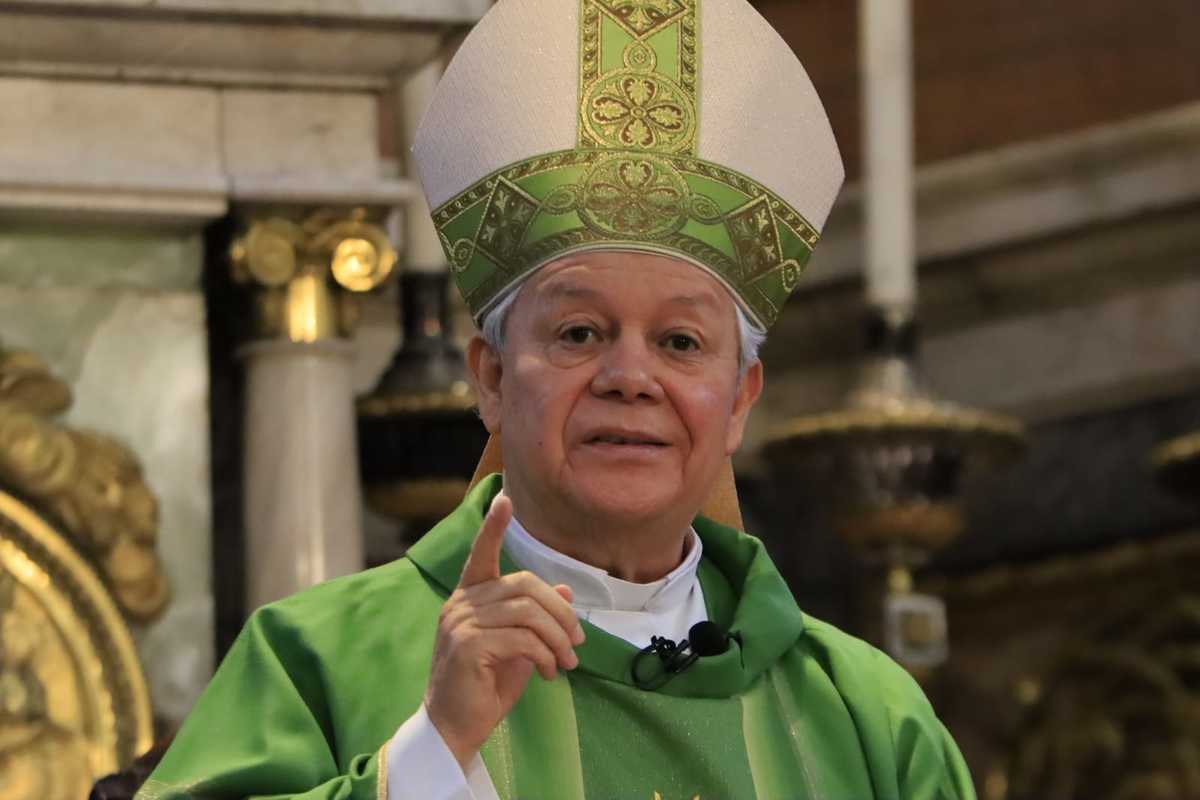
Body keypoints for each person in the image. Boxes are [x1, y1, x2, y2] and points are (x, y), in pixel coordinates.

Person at [138, 0, 977, 798]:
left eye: (681, 342)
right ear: (492, 378)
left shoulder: (868, 720)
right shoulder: (315, 660)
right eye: (579, 333)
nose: (629, 376)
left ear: (738, 402)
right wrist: (432, 753)